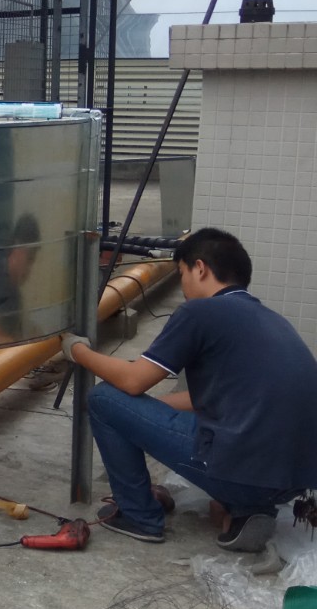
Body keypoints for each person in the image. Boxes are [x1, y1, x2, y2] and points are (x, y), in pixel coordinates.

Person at [62, 227, 317, 551]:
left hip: (242, 470)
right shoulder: (271, 320)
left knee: (103, 399)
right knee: (138, 409)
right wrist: (145, 413)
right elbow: (215, 399)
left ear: (200, 268)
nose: (182, 286)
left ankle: (139, 515)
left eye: (182, 274)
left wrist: (77, 351)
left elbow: (133, 380)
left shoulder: (200, 312)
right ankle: (248, 509)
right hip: (291, 482)